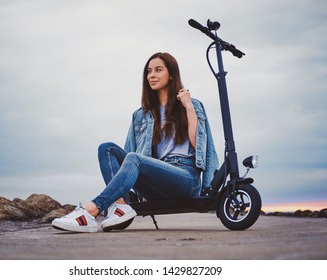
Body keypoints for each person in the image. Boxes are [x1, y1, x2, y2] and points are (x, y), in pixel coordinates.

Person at [52, 52, 218, 233]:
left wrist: (188, 107)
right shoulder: (141, 114)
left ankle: (91, 210)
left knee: (134, 158)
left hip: (185, 178)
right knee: (106, 148)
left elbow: (199, 145)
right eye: (148, 72)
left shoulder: (192, 105)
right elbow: (129, 154)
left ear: (171, 74)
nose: (151, 76)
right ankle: (120, 205)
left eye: (158, 70)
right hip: (156, 179)